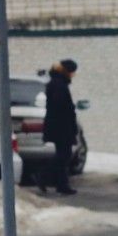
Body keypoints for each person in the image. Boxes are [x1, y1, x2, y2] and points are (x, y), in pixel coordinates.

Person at [39, 59, 79, 196]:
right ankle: (44, 177)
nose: (73, 75)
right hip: (61, 127)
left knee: (63, 155)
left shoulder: (57, 82)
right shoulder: (59, 84)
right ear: (67, 71)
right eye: (72, 72)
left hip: (59, 126)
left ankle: (59, 183)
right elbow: (60, 107)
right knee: (63, 155)